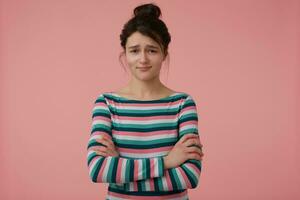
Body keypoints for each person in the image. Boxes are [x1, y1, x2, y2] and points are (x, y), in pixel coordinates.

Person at [86, 3, 204, 199]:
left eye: (151, 50)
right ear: (124, 54)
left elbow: (189, 176)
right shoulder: (106, 103)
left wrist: (122, 173)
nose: (143, 59)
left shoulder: (183, 104)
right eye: (134, 50)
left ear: (164, 53)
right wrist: (166, 162)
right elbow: (98, 170)